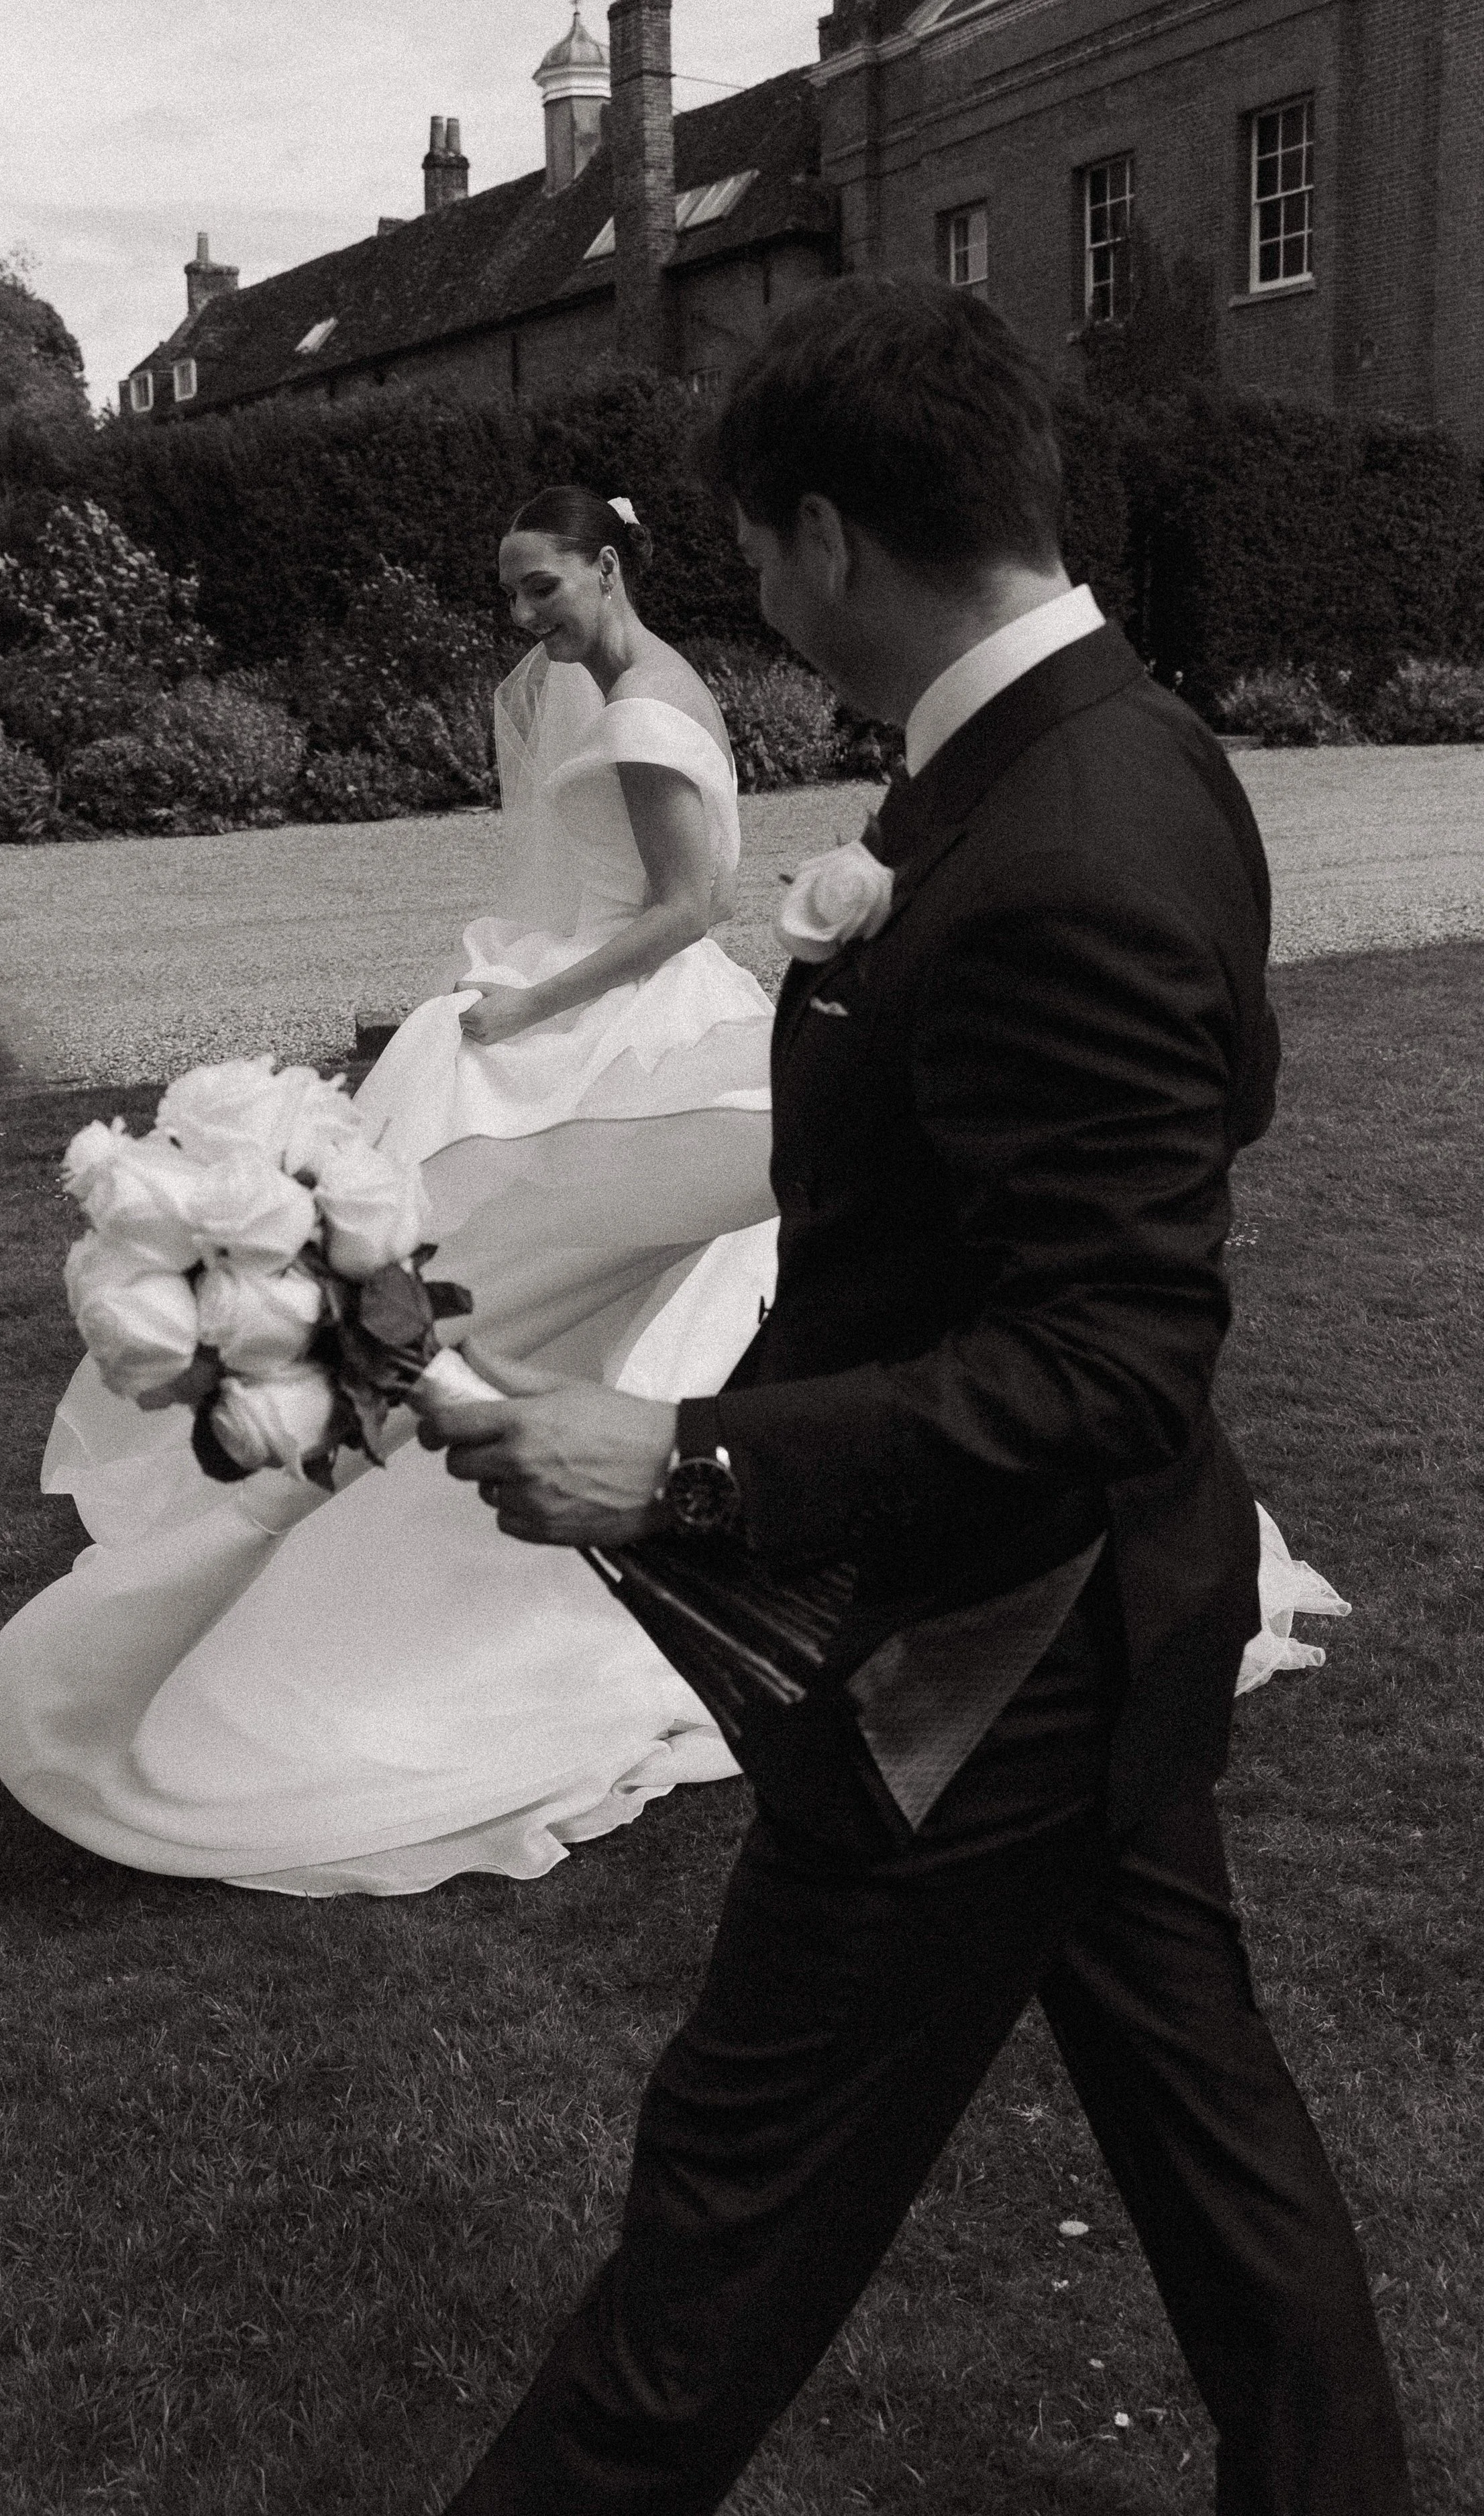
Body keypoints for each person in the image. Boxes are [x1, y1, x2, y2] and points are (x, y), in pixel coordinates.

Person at [416, 280, 1410, 2511]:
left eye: (759, 553)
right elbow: (1211, 1100)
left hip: (1000, 1665)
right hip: (1110, 1618)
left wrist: (689, 1454)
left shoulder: (1063, 833)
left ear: (828, 538)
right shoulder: (1120, 747)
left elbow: (1116, 1363)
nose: (757, 598)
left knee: (726, 2214)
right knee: (1204, 2121)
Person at [0, 487, 780, 1896]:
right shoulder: (596, 682)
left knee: (554, 1238)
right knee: (450, 1232)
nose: (521, 615)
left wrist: (524, 1010)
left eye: (542, 585)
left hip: (622, 1004)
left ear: (606, 564)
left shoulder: (646, 709)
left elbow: (685, 909)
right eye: (507, 591)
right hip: (586, 983)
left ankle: (527, 1483)